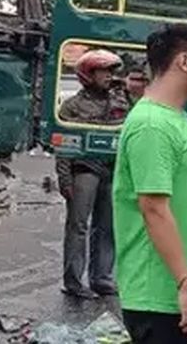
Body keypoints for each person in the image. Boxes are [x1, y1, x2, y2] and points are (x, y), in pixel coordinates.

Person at [113, 24, 187, 343]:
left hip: (180, 294)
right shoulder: (153, 125)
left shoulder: (174, 116)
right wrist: (186, 283)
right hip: (162, 296)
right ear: (184, 62)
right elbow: (153, 210)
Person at [56, 49, 129, 299]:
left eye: (111, 71)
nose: (109, 76)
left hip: (112, 169)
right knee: (78, 227)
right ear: (88, 74)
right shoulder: (71, 106)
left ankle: (102, 278)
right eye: (103, 71)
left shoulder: (121, 102)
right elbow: (63, 146)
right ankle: (74, 281)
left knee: (107, 226)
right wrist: (64, 179)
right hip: (84, 169)